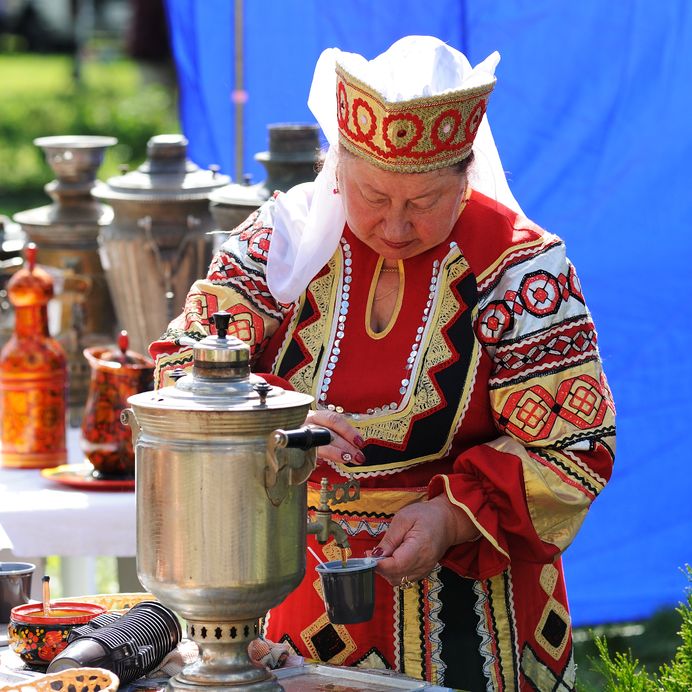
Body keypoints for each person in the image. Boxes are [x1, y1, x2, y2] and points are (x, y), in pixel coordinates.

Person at [151, 36, 615, 691]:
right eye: (372, 195)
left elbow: (576, 445)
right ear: (335, 168)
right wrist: (277, 415)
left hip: (477, 616)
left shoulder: (522, 271)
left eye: (424, 202)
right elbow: (179, 372)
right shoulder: (279, 244)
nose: (396, 225)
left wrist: (451, 517)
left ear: (465, 178)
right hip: (293, 593)